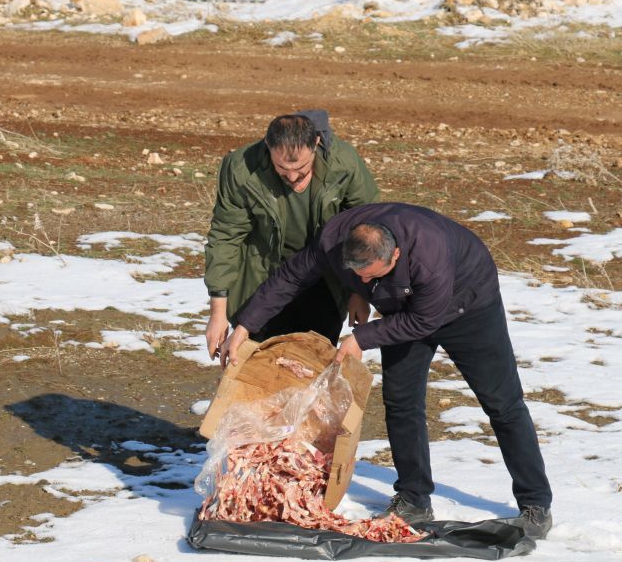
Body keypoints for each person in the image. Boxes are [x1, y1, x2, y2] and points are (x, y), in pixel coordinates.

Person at [220, 202, 554, 539]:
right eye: (357, 274)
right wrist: (245, 326)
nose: (363, 280)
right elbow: (291, 277)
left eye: (370, 275)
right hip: (402, 309)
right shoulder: (335, 239)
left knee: (502, 404)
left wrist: (361, 339)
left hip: (468, 307)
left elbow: (424, 320)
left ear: (394, 256)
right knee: (401, 401)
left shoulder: (430, 255)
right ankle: (413, 497)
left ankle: (535, 503)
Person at [204, 110, 378, 359]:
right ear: (268, 147)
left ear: (316, 143)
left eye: (302, 168)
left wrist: (358, 293)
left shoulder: (344, 163)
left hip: (324, 277)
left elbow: (366, 230)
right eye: (282, 170)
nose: (293, 178)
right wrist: (217, 314)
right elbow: (225, 236)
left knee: (312, 359)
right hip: (262, 275)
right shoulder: (241, 167)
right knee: (261, 359)